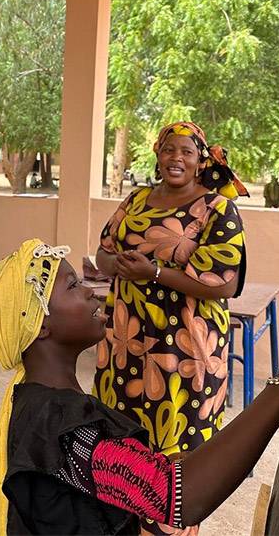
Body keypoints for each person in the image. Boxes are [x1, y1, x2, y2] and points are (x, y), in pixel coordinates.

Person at [0, 239, 279, 534]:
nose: (91, 293)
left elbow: (147, 473)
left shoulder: (42, 403)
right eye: (72, 286)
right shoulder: (63, 426)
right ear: (39, 324)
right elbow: (176, 496)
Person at [93, 122, 249, 519]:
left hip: (185, 348)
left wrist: (154, 273)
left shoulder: (217, 208)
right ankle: (124, 520)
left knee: (180, 443)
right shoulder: (136, 199)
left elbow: (224, 284)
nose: (175, 158)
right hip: (126, 341)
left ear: (200, 162)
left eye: (186, 152)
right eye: (168, 150)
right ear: (158, 155)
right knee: (123, 436)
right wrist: (121, 265)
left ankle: (171, 525)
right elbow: (103, 254)